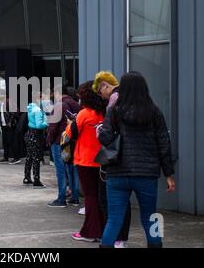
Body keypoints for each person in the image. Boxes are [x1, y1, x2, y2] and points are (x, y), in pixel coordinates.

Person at [98, 72, 176, 248]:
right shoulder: (154, 111)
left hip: (117, 173)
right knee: (151, 217)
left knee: (114, 219)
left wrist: (101, 129)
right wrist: (169, 174)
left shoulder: (114, 111)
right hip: (146, 174)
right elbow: (164, 144)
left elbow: (104, 138)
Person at [92, 71, 131, 248]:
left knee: (108, 200)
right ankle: (121, 239)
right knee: (126, 202)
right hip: (133, 157)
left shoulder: (114, 99)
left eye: (100, 92)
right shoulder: (134, 97)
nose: (101, 96)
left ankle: (116, 239)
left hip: (115, 158)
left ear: (105, 85)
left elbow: (108, 134)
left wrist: (100, 129)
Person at [67, 81, 105, 243]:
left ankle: (90, 232)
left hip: (85, 161)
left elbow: (70, 134)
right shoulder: (104, 113)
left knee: (90, 197)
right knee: (100, 198)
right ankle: (102, 229)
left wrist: (70, 123)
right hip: (103, 160)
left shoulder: (84, 114)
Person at [46, 85, 80, 208]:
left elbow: (53, 126)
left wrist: (49, 140)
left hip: (59, 141)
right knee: (72, 169)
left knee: (60, 170)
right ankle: (75, 198)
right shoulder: (77, 105)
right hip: (73, 140)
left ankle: (61, 198)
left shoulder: (59, 105)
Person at [24, 92, 48, 188]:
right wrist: (47, 123)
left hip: (29, 134)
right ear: (39, 98)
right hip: (36, 135)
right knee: (36, 158)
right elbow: (39, 125)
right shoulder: (38, 110)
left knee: (29, 157)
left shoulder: (30, 107)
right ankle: (36, 180)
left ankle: (26, 177)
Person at [0, 96, 20, 164]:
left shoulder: (9, 102)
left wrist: (10, 122)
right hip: (3, 125)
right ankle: (5, 157)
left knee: (11, 141)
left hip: (9, 125)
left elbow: (14, 112)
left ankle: (16, 158)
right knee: (5, 142)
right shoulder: (1, 103)